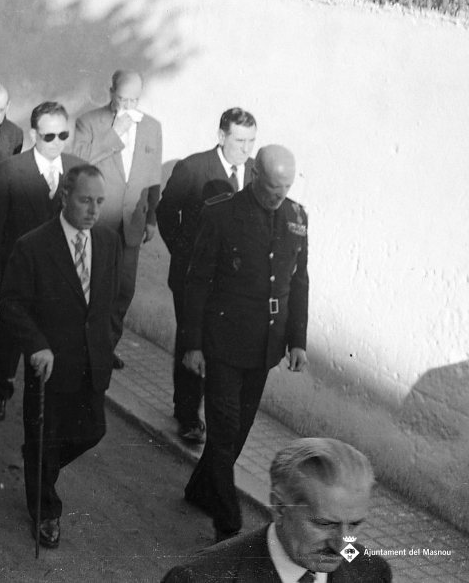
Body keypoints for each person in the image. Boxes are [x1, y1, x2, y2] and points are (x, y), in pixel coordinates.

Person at [181, 145, 309, 542]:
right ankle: (228, 523)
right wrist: (192, 344)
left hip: (265, 345)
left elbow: (298, 282)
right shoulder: (221, 214)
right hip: (223, 342)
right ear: (254, 175)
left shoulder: (297, 216)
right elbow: (197, 281)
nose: (279, 196)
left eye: (286, 187)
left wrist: (297, 341)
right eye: (272, 187)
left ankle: (200, 489)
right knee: (224, 431)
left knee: (237, 431)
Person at [0, 164, 120, 549]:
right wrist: (36, 344)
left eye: (100, 201)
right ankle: (45, 511)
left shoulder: (108, 241)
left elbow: (114, 299)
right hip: (48, 364)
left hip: (92, 361)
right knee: (45, 435)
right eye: (85, 200)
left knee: (92, 431)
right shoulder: (34, 245)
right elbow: (12, 302)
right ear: (65, 196)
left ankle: (39, 464)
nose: (94, 210)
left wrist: (108, 339)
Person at [156, 108, 257, 444]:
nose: (246, 148)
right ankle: (187, 415)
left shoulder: (254, 171)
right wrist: (184, 253)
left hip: (230, 283)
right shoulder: (194, 167)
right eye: (239, 140)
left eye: (251, 141)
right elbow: (166, 212)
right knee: (192, 341)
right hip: (191, 277)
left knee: (218, 345)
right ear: (221, 136)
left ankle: (213, 412)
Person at [0, 102, 87, 421]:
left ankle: (44, 396)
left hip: (61, 273)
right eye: (49, 136)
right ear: (33, 135)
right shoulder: (9, 170)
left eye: (63, 135)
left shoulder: (78, 170)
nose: (57, 142)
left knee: (54, 332)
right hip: (19, 269)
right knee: (12, 331)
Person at [162, 437, 392, 582]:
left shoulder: (372, 571)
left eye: (354, 524)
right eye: (324, 524)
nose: (342, 546)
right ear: (280, 508)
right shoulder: (197, 578)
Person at [70, 70, 162, 371]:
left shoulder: (151, 127)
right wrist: (114, 134)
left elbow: (153, 177)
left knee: (123, 289)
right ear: (111, 92)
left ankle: (105, 347)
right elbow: (78, 164)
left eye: (134, 100)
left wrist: (151, 218)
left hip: (131, 222)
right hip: (98, 221)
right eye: (123, 99)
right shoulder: (90, 122)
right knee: (93, 287)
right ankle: (82, 346)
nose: (128, 106)